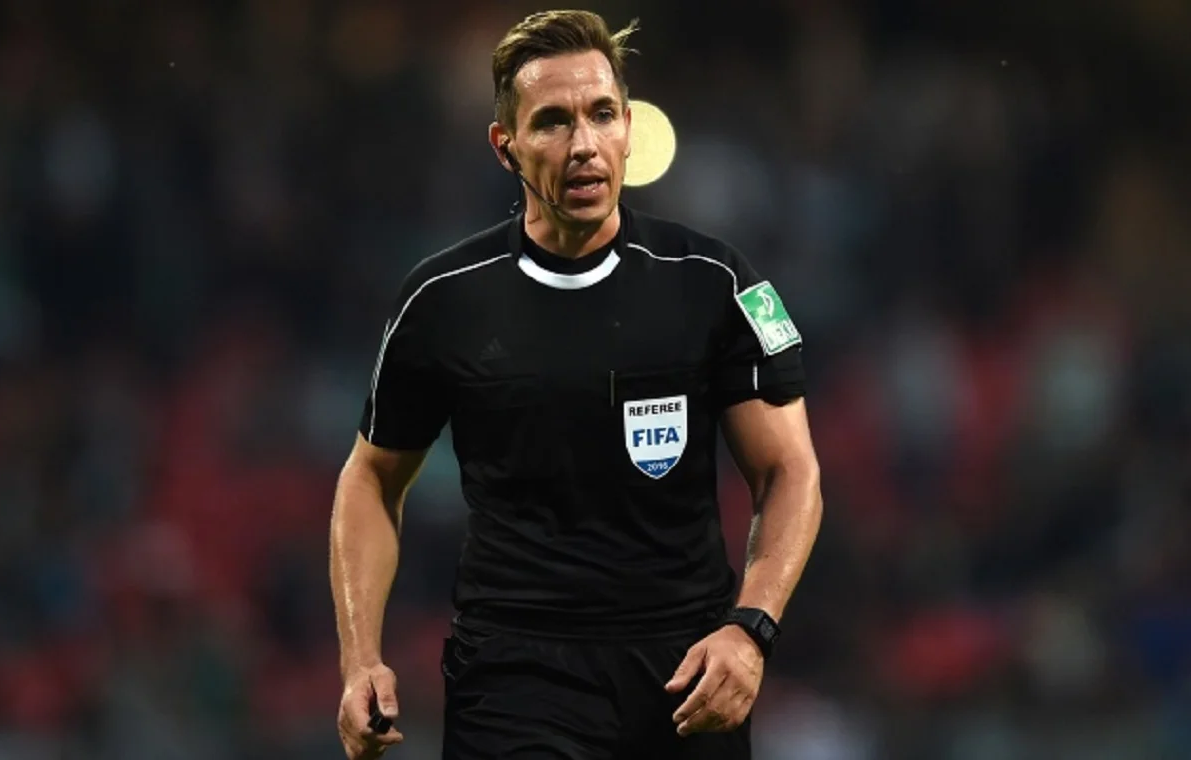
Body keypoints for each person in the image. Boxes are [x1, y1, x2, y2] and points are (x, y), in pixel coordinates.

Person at [329, 9, 823, 759]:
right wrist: (360, 658)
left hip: (686, 676)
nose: (584, 143)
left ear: (628, 128)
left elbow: (790, 470)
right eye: (553, 121)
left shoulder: (713, 283)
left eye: (601, 114)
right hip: (515, 677)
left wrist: (750, 629)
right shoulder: (444, 301)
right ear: (506, 147)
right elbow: (371, 478)